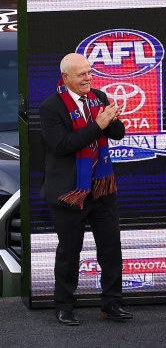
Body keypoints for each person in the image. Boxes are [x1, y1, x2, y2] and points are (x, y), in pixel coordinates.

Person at [40, 53, 131, 326]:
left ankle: (111, 303)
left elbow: (117, 134)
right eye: (82, 74)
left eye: (90, 72)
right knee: (69, 251)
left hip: (101, 189)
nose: (88, 78)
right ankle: (64, 305)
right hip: (69, 192)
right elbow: (63, 145)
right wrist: (98, 125)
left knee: (111, 248)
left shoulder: (98, 97)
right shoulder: (51, 107)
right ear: (66, 77)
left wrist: (113, 120)